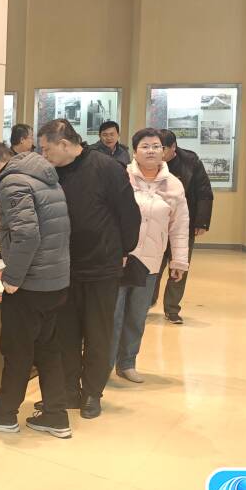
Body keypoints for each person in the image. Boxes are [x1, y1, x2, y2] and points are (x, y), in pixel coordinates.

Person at [0, 141, 72, 438]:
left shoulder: (12, 183)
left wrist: (12, 278)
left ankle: (4, 414)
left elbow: (26, 235)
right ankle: (55, 415)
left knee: (17, 350)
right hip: (55, 280)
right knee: (48, 349)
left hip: (31, 284)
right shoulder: (45, 177)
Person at [36, 119, 140, 419]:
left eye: (46, 149)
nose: (44, 155)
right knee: (65, 333)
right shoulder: (51, 172)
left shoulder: (106, 168)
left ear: (64, 144)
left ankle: (93, 392)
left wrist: (124, 250)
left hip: (101, 266)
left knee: (98, 332)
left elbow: (129, 214)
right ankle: (69, 390)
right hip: (64, 268)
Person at [110, 129, 190, 383]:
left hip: (150, 261)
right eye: (145, 146)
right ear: (134, 151)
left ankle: (127, 363)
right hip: (120, 258)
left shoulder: (174, 185)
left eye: (156, 146)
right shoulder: (121, 177)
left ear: (164, 151)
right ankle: (103, 366)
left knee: (136, 316)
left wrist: (179, 261)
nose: (151, 151)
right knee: (112, 316)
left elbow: (179, 227)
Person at [151, 129, 214, 324]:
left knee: (178, 266)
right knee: (152, 267)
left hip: (183, 224)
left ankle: (172, 308)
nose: (157, 152)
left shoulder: (191, 162)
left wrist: (201, 222)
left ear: (173, 148)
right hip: (156, 224)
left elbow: (204, 192)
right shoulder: (149, 162)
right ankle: (146, 302)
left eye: (162, 148)